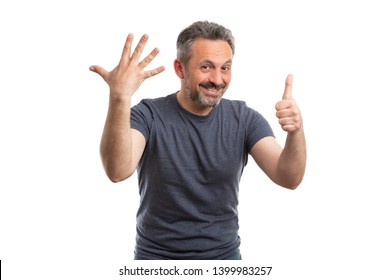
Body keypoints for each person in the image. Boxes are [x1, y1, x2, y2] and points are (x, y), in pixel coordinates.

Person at [89, 20, 306, 260]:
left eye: (225, 68)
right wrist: (120, 97)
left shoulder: (244, 119)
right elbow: (117, 170)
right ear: (180, 69)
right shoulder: (148, 115)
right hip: (156, 260)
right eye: (206, 67)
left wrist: (295, 131)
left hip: (224, 260)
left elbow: (289, 178)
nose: (217, 79)